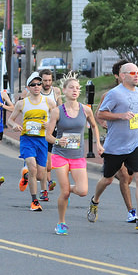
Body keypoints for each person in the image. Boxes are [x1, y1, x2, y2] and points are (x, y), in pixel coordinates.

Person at [87, 63, 138, 230]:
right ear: (122, 75)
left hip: (136, 141)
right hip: (115, 145)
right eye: (132, 73)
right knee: (108, 179)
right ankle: (95, 200)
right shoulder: (114, 94)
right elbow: (101, 113)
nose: (137, 75)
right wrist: (120, 116)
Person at [45, 74, 102, 235]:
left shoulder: (85, 110)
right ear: (64, 90)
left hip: (77, 156)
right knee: (64, 193)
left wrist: (98, 143)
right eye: (71, 88)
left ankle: (67, 188)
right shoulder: (57, 112)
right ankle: (61, 223)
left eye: (77, 88)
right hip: (60, 154)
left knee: (83, 191)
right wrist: (57, 141)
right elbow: (48, 135)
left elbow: (94, 126)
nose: (75, 91)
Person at [7, 72, 57, 212]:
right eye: (33, 85)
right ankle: (34, 200)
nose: (36, 87)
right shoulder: (22, 103)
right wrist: (14, 125)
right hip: (27, 139)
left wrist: (49, 125)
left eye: (39, 84)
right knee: (32, 166)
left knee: (41, 175)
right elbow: (10, 120)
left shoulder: (49, 102)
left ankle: (27, 175)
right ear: (28, 87)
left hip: (42, 140)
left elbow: (56, 118)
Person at [39, 69, 63, 202]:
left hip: (51, 129)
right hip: (38, 130)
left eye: (49, 80)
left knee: (48, 164)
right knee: (44, 162)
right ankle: (44, 189)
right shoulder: (35, 91)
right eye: (45, 80)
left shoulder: (56, 91)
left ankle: (46, 182)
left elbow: (59, 109)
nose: (47, 83)